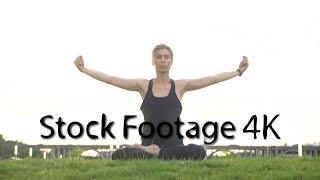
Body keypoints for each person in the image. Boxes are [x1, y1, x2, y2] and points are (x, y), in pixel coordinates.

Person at [74, 44, 249, 160]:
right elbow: (111, 79)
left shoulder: (180, 86)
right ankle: (150, 151)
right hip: (148, 143)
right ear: (153, 61)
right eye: (159, 57)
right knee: (117, 155)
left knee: (200, 151)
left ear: (171, 61)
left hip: (174, 145)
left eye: (166, 57)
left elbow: (213, 79)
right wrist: (84, 70)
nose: (163, 60)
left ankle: (159, 153)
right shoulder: (143, 85)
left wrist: (238, 72)